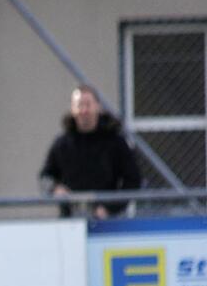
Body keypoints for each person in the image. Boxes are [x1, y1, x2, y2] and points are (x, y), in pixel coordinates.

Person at [40, 84, 142, 218]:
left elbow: (133, 180)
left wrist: (109, 208)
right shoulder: (62, 144)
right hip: (71, 221)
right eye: (79, 105)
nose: (84, 110)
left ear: (98, 106)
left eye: (88, 104)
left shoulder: (115, 142)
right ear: (72, 109)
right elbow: (46, 176)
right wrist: (55, 188)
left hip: (108, 222)